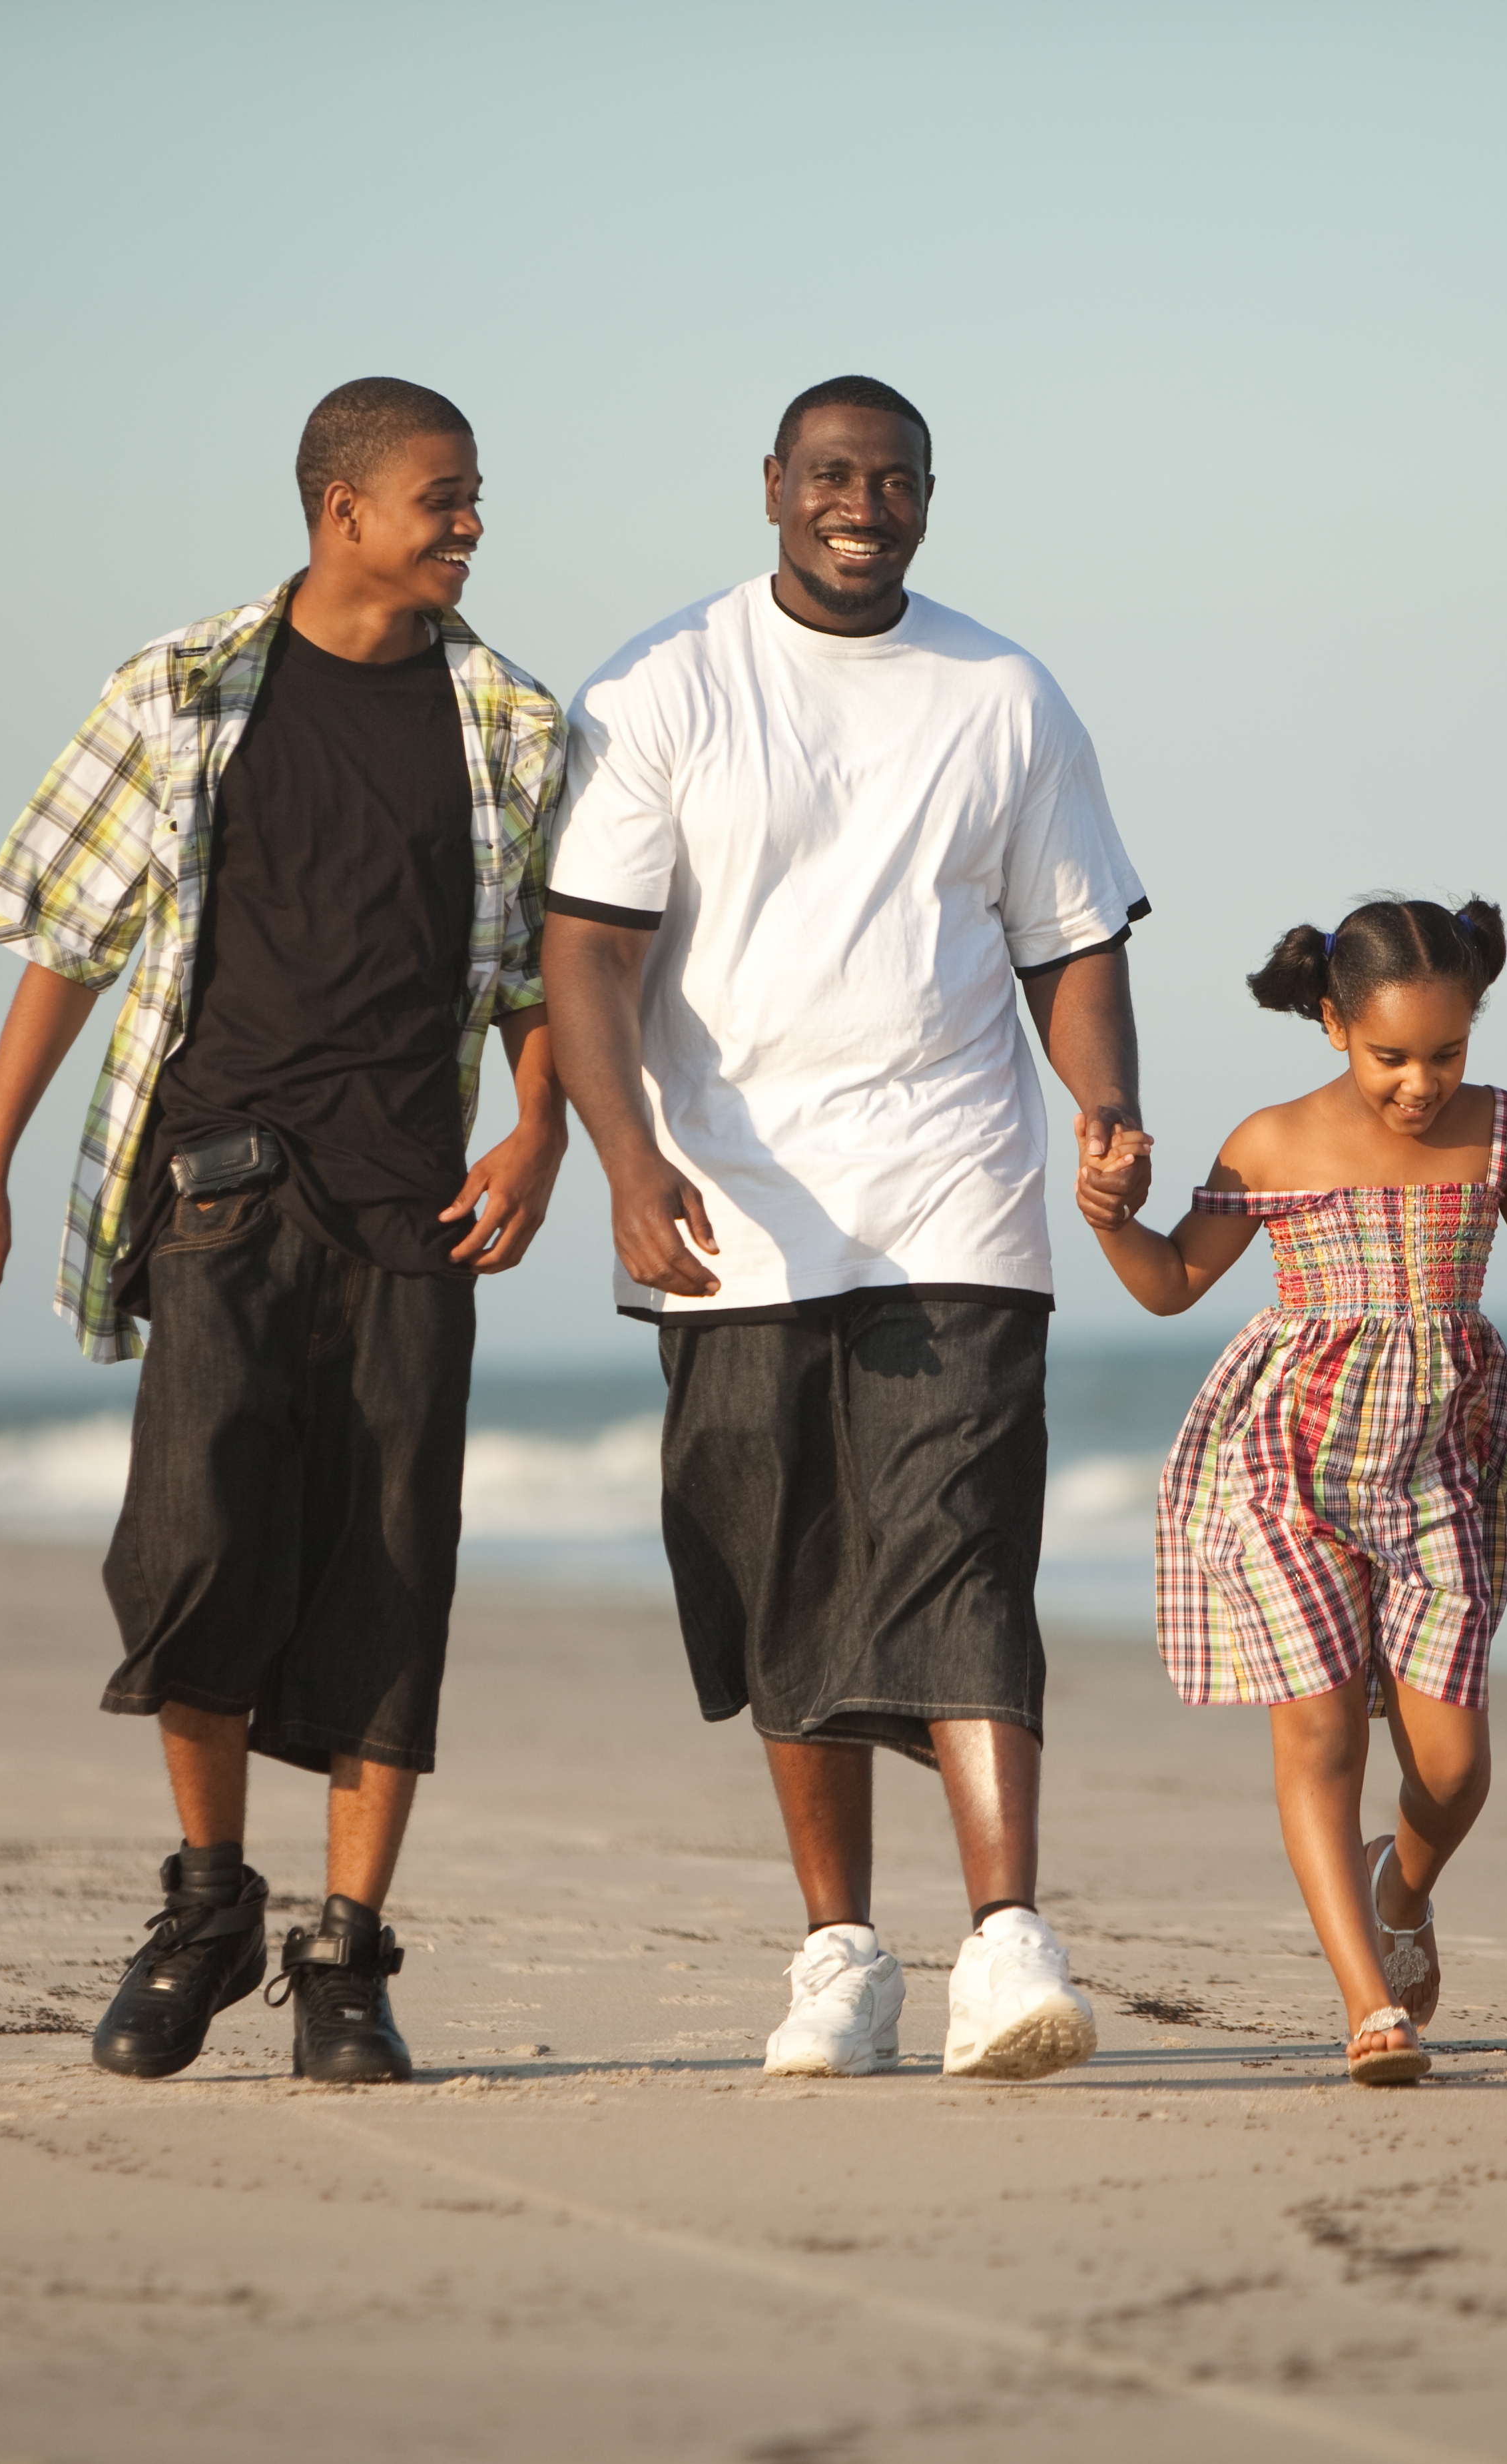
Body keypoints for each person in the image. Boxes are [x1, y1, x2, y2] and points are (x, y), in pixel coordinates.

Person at [0, 378, 569, 2088]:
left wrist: (543, 1126)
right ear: (340, 508)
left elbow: (542, 978)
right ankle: (209, 1902)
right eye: (445, 496)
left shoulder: (510, 722)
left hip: (417, 1204)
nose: (473, 524)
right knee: (190, 1547)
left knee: (390, 1567)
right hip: (218, 1180)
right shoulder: (182, 689)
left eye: (478, 495)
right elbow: (65, 935)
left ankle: (344, 1961)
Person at [542, 375, 1149, 2082]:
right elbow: (585, 949)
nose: (859, 505)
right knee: (779, 1569)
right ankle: (842, 1962)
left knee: (960, 1541)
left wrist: (1102, 1105)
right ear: (771, 489)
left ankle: (1007, 1940)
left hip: (956, 1189)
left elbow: (1072, 943)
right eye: (829, 476)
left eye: (892, 480)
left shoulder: (1005, 694)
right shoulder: (662, 684)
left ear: (930, 499)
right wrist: (625, 1156)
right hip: (731, 1209)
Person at [1076, 900, 1507, 2085]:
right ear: (1330, 1024)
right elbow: (1170, 1282)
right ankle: (1370, 2009)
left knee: (1455, 1767)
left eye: (1447, 1053)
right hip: (1289, 1464)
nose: (1422, 1084)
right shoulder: (1268, 1143)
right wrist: (1113, 1222)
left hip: (1443, 1469)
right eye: (1391, 1058)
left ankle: (1400, 1887)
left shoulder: (1502, 1132)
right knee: (1319, 1733)